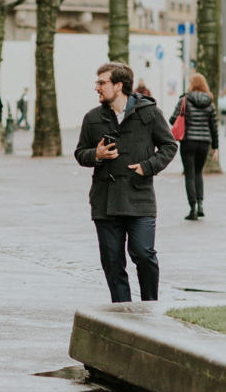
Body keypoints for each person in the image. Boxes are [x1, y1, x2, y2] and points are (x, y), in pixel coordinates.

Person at [74, 62, 177, 303]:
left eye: (102, 82)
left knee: (143, 253)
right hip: (105, 200)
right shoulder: (93, 117)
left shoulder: (149, 113)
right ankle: (122, 311)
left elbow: (169, 146)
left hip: (139, 196)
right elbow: (81, 153)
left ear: (119, 85)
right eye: (97, 82)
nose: (97, 87)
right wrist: (96, 155)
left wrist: (148, 166)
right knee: (112, 261)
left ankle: (150, 306)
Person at [169, 73, 218, 220]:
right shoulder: (210, 102)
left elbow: (173, 119)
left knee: (189, 174)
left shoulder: (185, 99)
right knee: (198, 173)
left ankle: (193, 209)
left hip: (188, 142)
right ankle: (201, 205)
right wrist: (215, 146)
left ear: (192, 84)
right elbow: (214, 126)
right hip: (204, 143)